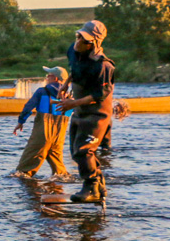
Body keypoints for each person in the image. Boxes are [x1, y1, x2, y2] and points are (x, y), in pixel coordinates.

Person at [57, 20, 116, 202]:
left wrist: (72, 104)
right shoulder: (73, 51)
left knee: (84, 151)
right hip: (79, 111)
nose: (78, 41)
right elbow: (75, 69)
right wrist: (66, 85)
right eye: (78, 36)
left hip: (97, 114)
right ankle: (98, 186)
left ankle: (90, 188)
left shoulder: (104, 66)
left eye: (83, 39)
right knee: (76, 152)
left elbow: (99, 94)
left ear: (94, 43)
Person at [12, 66, 71, 178]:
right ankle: (59, 190)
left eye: (48, 76)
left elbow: (28, 107)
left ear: (56, 78)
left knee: (23, 172)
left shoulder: (42, 91)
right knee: (60, 172)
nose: (46, 78)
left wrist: (21, 122)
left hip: (43, 133)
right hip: (59, 135)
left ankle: (28, 190)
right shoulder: (70, 95)